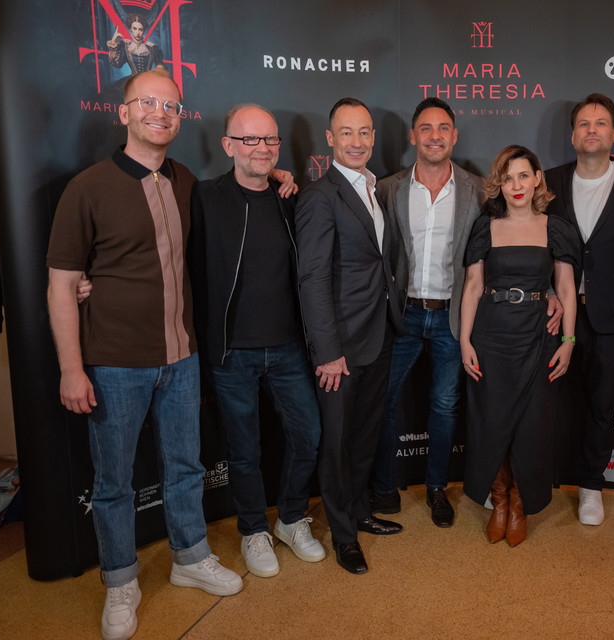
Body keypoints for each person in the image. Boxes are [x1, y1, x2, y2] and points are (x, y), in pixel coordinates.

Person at [47, 67, 241, 640]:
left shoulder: (184, 180)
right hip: (114, 365)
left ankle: (190, 557)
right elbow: (62, 284)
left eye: (171, 105)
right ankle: (120, 580)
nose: (161, 112)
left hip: (182, 358)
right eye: (148, 102)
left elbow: (239, 192)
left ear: (180, 117)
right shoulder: (87, 188)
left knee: (186, 467)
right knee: (113, 482)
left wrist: (278, 174)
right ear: (124, 112)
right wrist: (71, 368)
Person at [188, 104, 324, 578]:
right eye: (250, 139)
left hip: (289, 348)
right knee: (244, 451)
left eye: (270, 139)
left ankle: (290, 518)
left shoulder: (291, 198)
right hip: (232, 353)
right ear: (228, 145)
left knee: (308, 435)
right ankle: (252, 530)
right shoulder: (203, 198)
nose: (262, 148)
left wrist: (286, 179)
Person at [294, 98, 405, 574]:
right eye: (346, 132)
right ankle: (342, 535)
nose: (356, 142)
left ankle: (359, 511)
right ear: (330, 139)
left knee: (363, 436)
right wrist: (328, 352)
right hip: (340, 346)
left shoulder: (373, 188)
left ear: (373, 137)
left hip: (378, 335)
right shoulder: (321, 196)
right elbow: (312, 279)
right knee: (338, 443)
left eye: (364, 132)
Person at [368, 98, 485, 527]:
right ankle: (384, 487)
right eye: (426, 128)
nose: (435, 136)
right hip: (403, 315)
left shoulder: (478, 190)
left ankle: (437, 488)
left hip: (453, 317)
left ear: (454, 136)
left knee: (445, 404)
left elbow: (512, 242)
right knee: (382, 400)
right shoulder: (387, 189)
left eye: (443, 128)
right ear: (413, 136)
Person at [544, 94, 614, 526]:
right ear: (573, 135)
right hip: (557, 317)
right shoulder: (548, 182)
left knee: (600, 405)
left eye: (601, 123)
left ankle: (591, 486)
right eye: (584, 124)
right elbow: (532, 245)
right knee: (548, 402)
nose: (591, 130)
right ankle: (542, 478)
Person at [460, 145, 579, 546]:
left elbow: (566, 288)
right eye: (508, 177)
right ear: (499, 183)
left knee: (532, 425)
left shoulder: (555, 227)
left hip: (538, 338)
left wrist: (569, 340)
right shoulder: (485, 227)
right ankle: (498, 500)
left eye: (524, 175)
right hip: (491, 336)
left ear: (537, 178)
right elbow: (473, 286)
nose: (516, 185)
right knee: (491, 423)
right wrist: (465, 340)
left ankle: (519, 504)